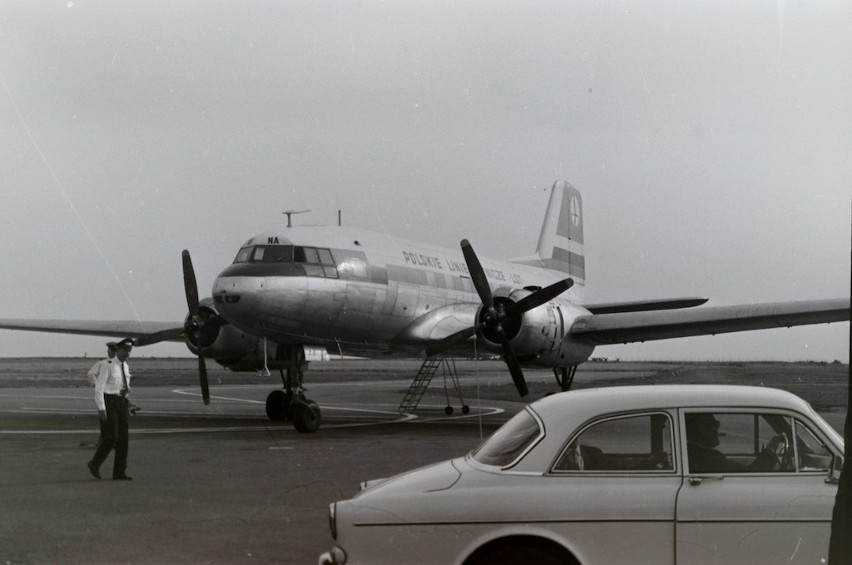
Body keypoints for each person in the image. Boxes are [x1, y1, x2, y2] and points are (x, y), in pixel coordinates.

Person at [87, 337, 135, 481]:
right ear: (118, 350)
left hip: (121, 402)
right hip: (110, 402)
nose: (128, 353)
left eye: (129, 350)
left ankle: (119, 472)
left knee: (123, 439)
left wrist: (127, 400)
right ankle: (94, 463)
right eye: (125, 350)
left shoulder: (125, 366)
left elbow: (125, 385)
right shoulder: (107, 365)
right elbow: (99, 388)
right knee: (111, 437)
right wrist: (101, 408)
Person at [686, 413, 786, 473]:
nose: (717, 428)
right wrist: (771, 448)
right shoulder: (708, 458)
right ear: (700, 429)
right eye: (711, 424)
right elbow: (750, 474)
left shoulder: (692, 453)